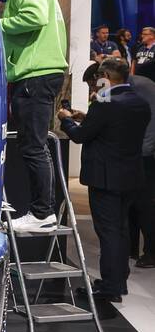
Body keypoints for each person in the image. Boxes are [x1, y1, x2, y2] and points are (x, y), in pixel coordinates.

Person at [59, 58, 151, 303]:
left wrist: (67, 118)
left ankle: (110, 286)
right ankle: (118, 280)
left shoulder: (104, 104)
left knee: (109, 233)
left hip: (105, 179)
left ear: (107, 77)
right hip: (130, 176)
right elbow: (110, 129)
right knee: (120, 231)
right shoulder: (139, 103)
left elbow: (80, 136)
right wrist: (85, 116)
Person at [0, 0, 69, 234]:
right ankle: (43, 212)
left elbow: (33, 16)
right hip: (39, 74)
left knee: (34, 147)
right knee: (34, 145)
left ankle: (42, 213)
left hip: (35, 75)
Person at [126, 70, 155, 268]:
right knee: (134, 202)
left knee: (144, 205)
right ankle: (132, 248)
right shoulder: (138, 84)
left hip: (145, 152)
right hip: (141, 151)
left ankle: (150, 252)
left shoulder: (138, 87)